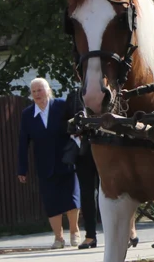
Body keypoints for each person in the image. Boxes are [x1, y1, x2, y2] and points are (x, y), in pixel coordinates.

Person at [17, 78, 80, 249]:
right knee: (51, 202)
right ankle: (58, 238)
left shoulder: (61, 105)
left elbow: (76, 126)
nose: (37, 94)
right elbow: (23, 143)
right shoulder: (27, 115)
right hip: (44, 165)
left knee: (72, 198)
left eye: (40, 90)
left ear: (48, 90)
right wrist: (22, 169)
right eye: (34, 91)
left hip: (66, 160)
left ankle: (74, 232)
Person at [65, 89, 100, 249]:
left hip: (107, 149)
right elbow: (65, 123)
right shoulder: (74, 96)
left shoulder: (108, 93)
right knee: (87, 194)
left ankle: (129, 232)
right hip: (84, 152)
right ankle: (90, 235)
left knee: (115, 192)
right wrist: (74, 130)